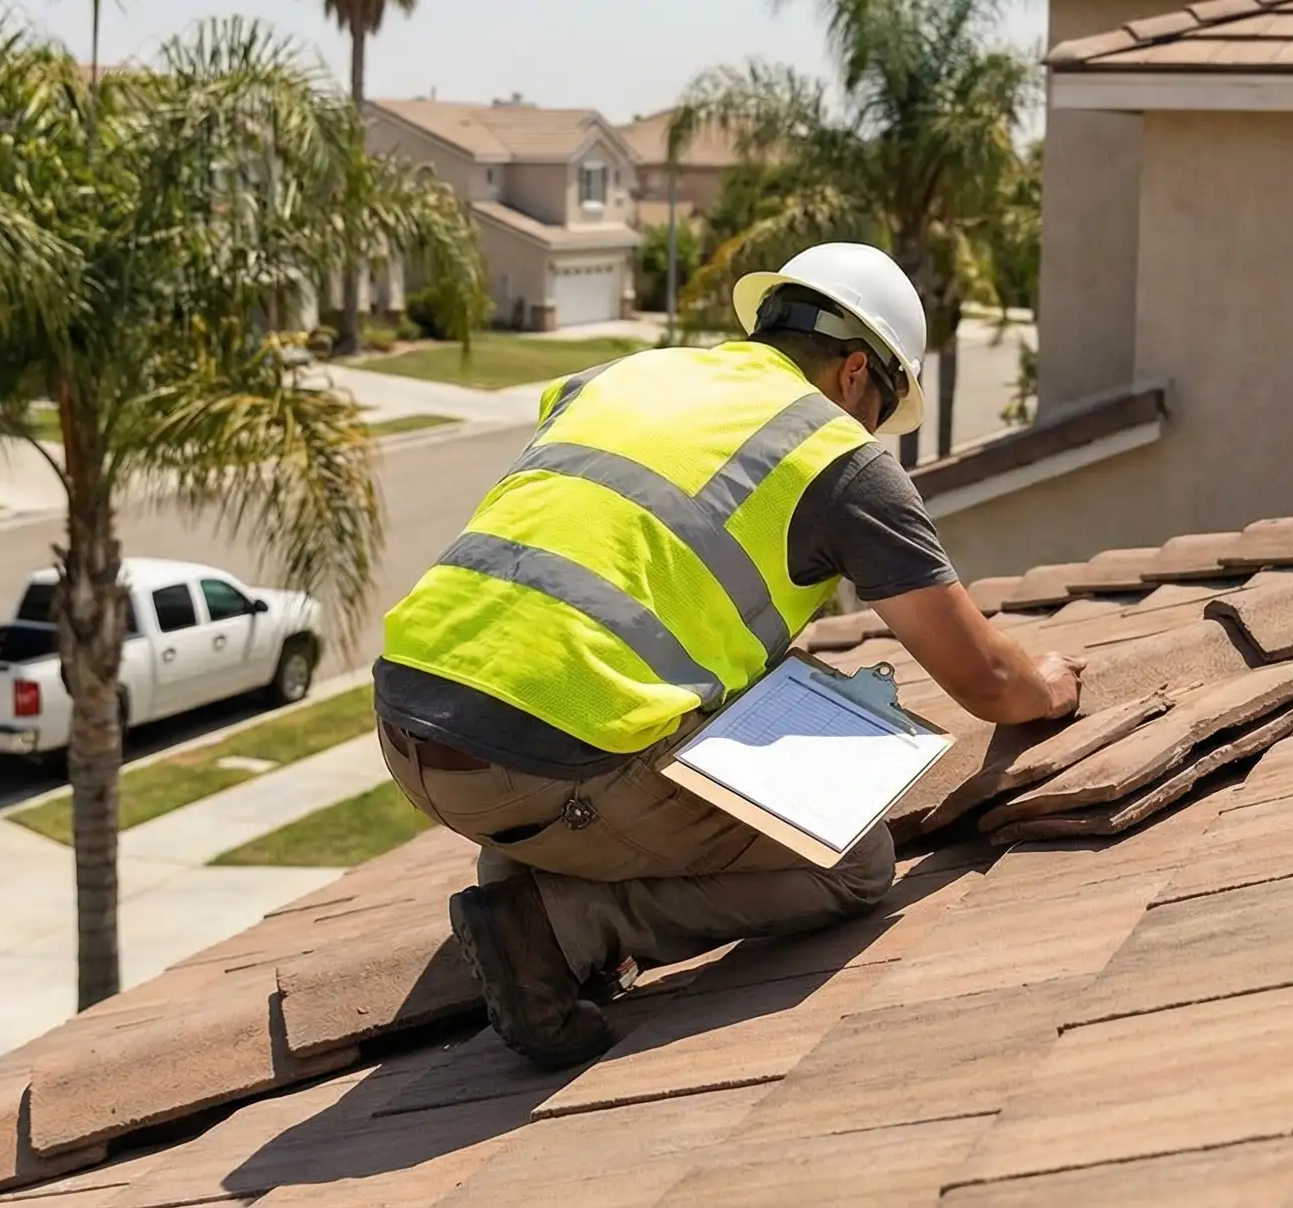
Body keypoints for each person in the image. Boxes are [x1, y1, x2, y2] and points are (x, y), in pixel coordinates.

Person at [372, 241, 1084, 1066]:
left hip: (411, 731)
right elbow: (988, 681)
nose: (874, 432)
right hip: (541, 762)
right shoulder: (836, 458)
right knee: (853, 863)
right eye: (882, 410)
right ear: (857, 371)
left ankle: (531, 871)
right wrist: (1052, 687)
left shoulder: (623, 377)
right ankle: (566, 927)